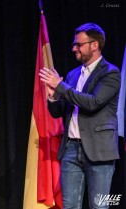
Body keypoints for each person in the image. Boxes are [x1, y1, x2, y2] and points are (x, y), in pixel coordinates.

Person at [39, 23, 121, 208]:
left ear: (94, 45)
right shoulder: (73, 74)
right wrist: (53, 97)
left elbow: (92, 103)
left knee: (99, 206)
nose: (74, 48)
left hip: (99, 150)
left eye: (79, 44)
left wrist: (61, 87)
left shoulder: (110, 72)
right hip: (71, 149)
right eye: (74, 44)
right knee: (70, 205)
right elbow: (59, 112)